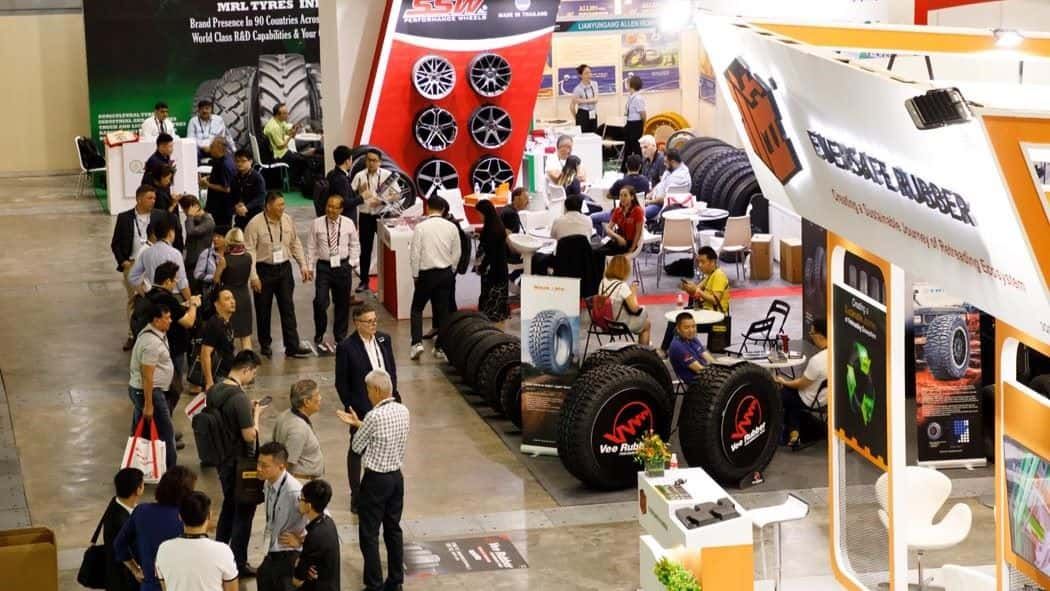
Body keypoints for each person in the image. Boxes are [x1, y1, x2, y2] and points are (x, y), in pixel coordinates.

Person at [335, 370, 410, 591]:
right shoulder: (403, 410)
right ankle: (396, 581)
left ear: (377, 390)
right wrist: (361, 424)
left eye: (368, 390)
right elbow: (384, 433)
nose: (367, 395)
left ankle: (374, 584)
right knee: (393, 529)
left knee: (369, 533)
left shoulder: (373, 416)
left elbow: (357, 446)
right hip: (396, 478)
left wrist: (359, 425)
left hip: (376, 480)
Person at [207, 350, 266, 578]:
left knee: (229, 507)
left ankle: (218, 553)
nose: (253, 377)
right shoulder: (239, 398)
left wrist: (245, 411)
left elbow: (226, 419)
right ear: (246, 369)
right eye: (254, 373)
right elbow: (250, 435)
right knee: (244, 513)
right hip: (239, 464)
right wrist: (256, 415)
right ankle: (238, 563)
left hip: (222, 459)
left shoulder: (215, 389)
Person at [334, 304, 397, 513]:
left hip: (386, 404)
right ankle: (356, 494)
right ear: (357, 323)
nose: (373, 325)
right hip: (361, 407)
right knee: (357, 449)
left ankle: (381, 490)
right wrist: (352, 406)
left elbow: (391, 370)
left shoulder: (384, 339)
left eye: (375, 320)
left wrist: (394, 396)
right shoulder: (346, 347)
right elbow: (341, 382)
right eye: (368, 321)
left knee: (385, 445)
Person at [245, 192, 312, 358]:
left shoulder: (287, 219)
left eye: (283, 204)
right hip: (264, 270)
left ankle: (292, 345)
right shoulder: (254, 224)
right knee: (263, 309)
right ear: (268, 206)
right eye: (279, 205)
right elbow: (250, 251)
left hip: (284, 270)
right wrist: (253, 276)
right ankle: (265, 344)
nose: (283, 208)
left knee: (288, 308)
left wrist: (303, 265)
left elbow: (295, 242)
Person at [138, 262, 201, 430]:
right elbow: (188, 322)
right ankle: (164, 428)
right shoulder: (167, 299)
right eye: (175, 280)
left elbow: (174, 312)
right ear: (167, 281)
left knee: (166, 390)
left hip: (159, 349)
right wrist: (194, 305)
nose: (176, 284)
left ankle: (164, 426)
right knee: (172, 389)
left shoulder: (150, 294)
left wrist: (181, 307)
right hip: (172, 350)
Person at [114, 466, 198, 591]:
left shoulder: (142, 511)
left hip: (150, 585)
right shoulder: (188, 519)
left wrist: (135, 570)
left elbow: (119, 544)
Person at [111, 185, 165, 350]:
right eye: (149, 198)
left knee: (157, 300)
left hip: (154, 264)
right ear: (139, 199)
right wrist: (123, 262)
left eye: (154, 198)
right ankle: (132, 335)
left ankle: (156, 334)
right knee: (134, 302)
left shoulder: (159, 216)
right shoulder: (124, 218)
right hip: (133, 265)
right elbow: (115, 243)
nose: (153, 201)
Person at [408, 195, 460, 361]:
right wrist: (451, 270)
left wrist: (415, 274)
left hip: (426, 274)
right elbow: (457, 253)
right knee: (443, 312)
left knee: (417, 309)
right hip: (445, 273)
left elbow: (415, 253)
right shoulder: (451, 227)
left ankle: (416, 344)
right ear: (443, 209)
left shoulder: (421, 227)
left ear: (427, 208)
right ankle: (440, 348)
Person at [307, 195, 361, 351]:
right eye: (328, 206)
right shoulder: (317, 223)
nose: (330, 210)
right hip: (324, 267)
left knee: (342, 303)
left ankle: (340, 336)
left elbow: (355, 244)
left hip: (343, 267)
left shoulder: (348, 223)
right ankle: (320, 331)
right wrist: (310, 267)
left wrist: (352, 263)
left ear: (341, 209)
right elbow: (311, 246)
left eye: (334, 207)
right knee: (320, 301)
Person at [154, 491, 239, 591]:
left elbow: (165, 587)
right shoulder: (223, 551)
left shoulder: (164, 549)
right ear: (209, 515)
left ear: (180, 516)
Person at [128, 302, 178, 469]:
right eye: (167, 318)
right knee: (166, 433)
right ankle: (170, 470)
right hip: (150, 393)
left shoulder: (156, 333)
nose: (170, 320)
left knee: (140, 431)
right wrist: (149, 405)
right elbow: (147, 376)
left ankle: (137, 466)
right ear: (156, 320)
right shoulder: (151, 343)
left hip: (145, 392)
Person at [256, 442, 308, 591]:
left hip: (289, 554)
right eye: (258, 463)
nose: (258, 468)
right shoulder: (268, 483)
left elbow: (321, 520)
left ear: (281, 466)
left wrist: (300, 541)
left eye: (264, 465)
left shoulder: (295, 492)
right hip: (272, 550)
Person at [659, 246, 732, 352]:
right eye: (698, 262)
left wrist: (697, 290)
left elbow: (714, 300)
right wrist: (688, 288)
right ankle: (675, 350)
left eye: (703, 262)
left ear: (712, 262)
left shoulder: (719, 276)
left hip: (715, 318)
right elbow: (696, 292)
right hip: (706, 313)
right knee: (678, 319)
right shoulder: (710, 276)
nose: (700, 265)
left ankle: (665, 350)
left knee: (676, 322)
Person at [351, 148, 401, 294]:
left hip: (382, 216)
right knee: (365, 250)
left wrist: (382, 201)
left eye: (374, 160)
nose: (371, 163)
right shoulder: (360, 176)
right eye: (368, 160)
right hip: (365, 216)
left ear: (379, 162)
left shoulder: (387, 175)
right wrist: (359, 194)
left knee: (387, 249)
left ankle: (389, 282)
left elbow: (397, 195)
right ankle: (364, 281)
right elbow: (351, 193)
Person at [774, 318, 828, 447]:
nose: (811, 336)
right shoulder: (838, 355)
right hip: (827, 399)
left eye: (812, 333)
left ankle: (782, 431)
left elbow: (801, 384)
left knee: (782, 394)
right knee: (791, 397)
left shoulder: (817, 361)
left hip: (810, 400)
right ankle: (794, 431)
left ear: (820, 336)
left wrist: (784, 382)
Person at [290, 479, 340, 590]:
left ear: (308, 506)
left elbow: (297, 580)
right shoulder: (328, 522)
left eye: (301, 499)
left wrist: (297, 563)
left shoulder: (314, 536)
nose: (299, 502)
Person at [100, 468, 144, 591]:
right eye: (142, 485)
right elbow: (127, 550)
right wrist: (136, 570)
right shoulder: (121, 520)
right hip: (123, 579)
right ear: (138, 490)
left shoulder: (116, 502)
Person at [272, 380, 325, 481]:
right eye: (317, 395)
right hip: (301, 482)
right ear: (306, 402)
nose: (320, 398)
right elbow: (288, 464)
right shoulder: (298, 429)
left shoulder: (285, 414)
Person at [128, 216, 191, 301]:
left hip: (154, 296)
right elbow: (182, 283)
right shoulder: (175, 253)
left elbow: (132, 277)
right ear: (170, 233)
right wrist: (190, 301)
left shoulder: (146, 253)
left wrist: (144, 293)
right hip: (173, 296)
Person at [593, 154, 652, 235]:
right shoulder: (645, 181)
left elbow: (608, 195)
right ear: (640, 166)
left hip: (622, 215)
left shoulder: (621, 182)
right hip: (640, 214)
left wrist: (621, 198)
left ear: (626, 166)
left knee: (593, 218)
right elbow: (647, 194)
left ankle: (605, 237)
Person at [598, 255, 651, 346]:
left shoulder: (603, 282)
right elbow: (635, 309)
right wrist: (633, 292)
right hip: (618, 323)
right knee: (647, 324)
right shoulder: (622, 286)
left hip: (604, 321)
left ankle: (641, 348)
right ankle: (644, 350)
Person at [217, 228, 254, 352]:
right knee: (245, 335)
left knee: (228, 334)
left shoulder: (225, 260)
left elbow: (216, 279)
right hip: (244, 296)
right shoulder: (248, 257)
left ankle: (229, 361)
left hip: (228, 297)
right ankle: (248, 360)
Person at [263, 103, 315, 189]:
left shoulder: (278, 121)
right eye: (285, 113)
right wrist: (290, 136)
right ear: (278, 115)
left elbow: (287, 128)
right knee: (304, 160)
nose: (288, 115)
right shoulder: (274, 127)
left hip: (281, 152)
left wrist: (294, 127)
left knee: (302, 157)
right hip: (279, 155)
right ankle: (304, 184)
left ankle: (297, 181)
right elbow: (280, 146)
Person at [474, 200, 510, 323]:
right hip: (499, 267)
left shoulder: (492, 230)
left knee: (491, 295)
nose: (478, 216)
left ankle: (491, 316)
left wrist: (482, 267)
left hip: (493, 269)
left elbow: (490, 253)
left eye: (479, 213)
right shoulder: (495, 224)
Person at [200, 288, 236, 391]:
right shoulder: (214, 324)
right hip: (219, 377)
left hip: (227, 374)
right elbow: (205, 353)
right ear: (216, 304)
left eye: (232, 298)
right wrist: (209, 381)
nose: (232, 301)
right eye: (227, 299)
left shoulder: (226, 322)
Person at [144, 164, 185, 252]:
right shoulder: (155, 194)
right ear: (160, 176)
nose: (169, 181)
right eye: (168, 178)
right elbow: (162, 215)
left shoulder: (163, 188)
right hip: (165, 230)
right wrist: (173, 204)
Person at [668, 312, 716, 385]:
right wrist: (718, 375)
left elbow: (706, 355)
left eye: (693, 326)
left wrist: (719, 367)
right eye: (686, 328)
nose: (691, 330)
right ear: (678, 329)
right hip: (697, 382)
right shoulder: (677, 347)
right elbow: (700, 370)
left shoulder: (691, 338)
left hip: (705, 373)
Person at [200, 138, 236, 233]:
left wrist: (207, 184)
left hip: (222, 207)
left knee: (221, 231)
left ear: (219, 148)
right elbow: (219, 176)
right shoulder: (220, 159)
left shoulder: (225, 164)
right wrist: (208, 178)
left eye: (212, 146)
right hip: (216, 204)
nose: (210, 148)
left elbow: (226, 188)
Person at [181, 195, 216, 291]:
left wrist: (190, 216)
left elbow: (191, 231)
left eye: (186, 210)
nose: (185, 213)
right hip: (190, 263)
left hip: (200, 265)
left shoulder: (208, 220)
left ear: (195, 206)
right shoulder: (193, 220)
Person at [597, 185, 645, 256]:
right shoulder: (618, 210)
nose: (622, 198)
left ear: (632, 197)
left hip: (628, 244)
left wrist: (632, 249)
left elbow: (638, 233)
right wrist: (617, 237)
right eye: (620, 195)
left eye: (625, 195)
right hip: (618, 240)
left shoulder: (637, 211)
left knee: (599, 253)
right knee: (595, 251)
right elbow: (608, 228)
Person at [230, 148, 266, 231]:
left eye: (243, 161)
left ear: (250, 161)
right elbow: (232, 195)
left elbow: (261, 197)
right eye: (237, 161)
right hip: (240, 215)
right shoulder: (235, 177)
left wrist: (247, 207)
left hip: (255, 216)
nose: (239, 164)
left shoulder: (257, 177)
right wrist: (236, 205)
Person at [324, 145, 362, 223]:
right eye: (351, 159)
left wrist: (357, 192)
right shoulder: (341, 179)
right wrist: (362, 198)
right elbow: (345, 203)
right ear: (347, 161)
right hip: (345, 219)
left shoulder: (331, 173)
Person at [623, 75, 647, 166]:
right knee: (628, 147)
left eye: (628, 82)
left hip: (636, 124)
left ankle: (640, 167)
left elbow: (643, 114)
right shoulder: (631, 97)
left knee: (636, 147)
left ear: (632, 84)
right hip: (629, 123)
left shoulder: (638, 98)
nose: (626, 84)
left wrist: (644, 125)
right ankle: (626, 167)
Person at [194, 231, 227, 295]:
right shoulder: (207, 253)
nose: (215, 239)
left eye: (219, 237)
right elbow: (197, 274)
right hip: (210, 292)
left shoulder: (230, 255)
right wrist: (213, 277)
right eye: (214, 236)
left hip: (227, 292)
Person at [570, 64, 600, 134]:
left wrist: (581, 101)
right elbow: (572, 106)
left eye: (590, 72)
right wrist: (577, 118)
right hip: (583, 114)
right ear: (581, 75)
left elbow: (596, 99)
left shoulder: (594, 84)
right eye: (586, 73)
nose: (589, 75)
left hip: (593, 113)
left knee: (594, 134)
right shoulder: (577, 89)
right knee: (583, 136)